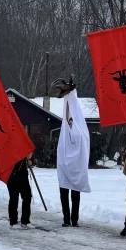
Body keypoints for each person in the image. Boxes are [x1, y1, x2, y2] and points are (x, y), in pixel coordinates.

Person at [55, 78, 91, 227]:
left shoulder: (79, 131)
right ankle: (68, 219)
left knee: (73, 194)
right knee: (67, 193)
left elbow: (70, 115)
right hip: (67, 165)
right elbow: (68, 115)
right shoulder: (69, 131)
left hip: (74, 166)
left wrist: (70, 98)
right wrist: (69, 98)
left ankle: (72, 219)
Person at [6, 151, 34, 227]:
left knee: (27, 196)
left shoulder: (23, 145)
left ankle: (25, 220)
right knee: (14, 198)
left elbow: (29, 152)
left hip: (23, 173)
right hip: (11, 174)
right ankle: (13, 221)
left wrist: (30, 160)